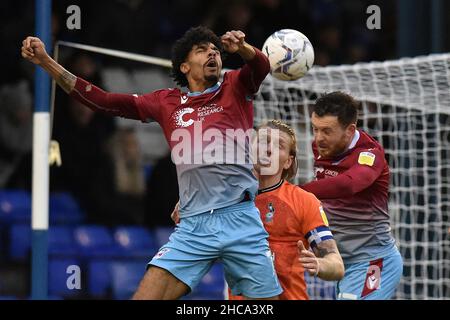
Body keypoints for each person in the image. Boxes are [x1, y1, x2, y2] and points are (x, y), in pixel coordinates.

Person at [21, 26, 282, 300]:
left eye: (216, 51)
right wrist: (46, 62)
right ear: (184, 66)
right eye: (203, 50)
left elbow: (260, 65)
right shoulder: (165, 102)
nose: (213, 54)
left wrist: (242, 48)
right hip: (194, 226)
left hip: (240, 218)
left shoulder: (236, 87)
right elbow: (102, 101)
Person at [172, 119, 345, 300]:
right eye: (263, 142)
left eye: (279, 145)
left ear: (288, 161)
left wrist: (319, 264)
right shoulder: (223, 198)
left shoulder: (303, 201)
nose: (268, 149)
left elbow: (337, 264)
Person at [301, 91, 403, 300]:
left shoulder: (370, 154)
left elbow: (350, 185)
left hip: (373, 260)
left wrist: (297, 192)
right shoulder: (321, 147)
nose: (319, 138)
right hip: (340, 262)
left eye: (327, 131)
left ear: (350, 130)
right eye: (315, 129)